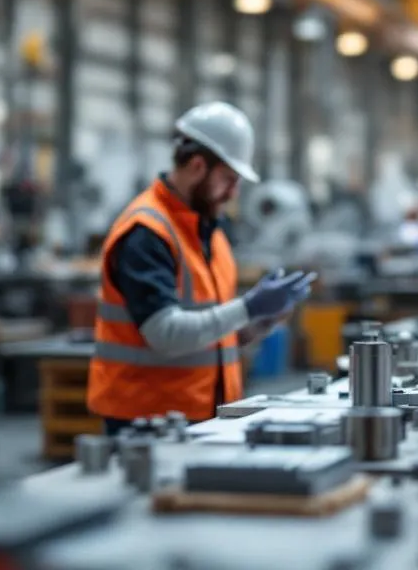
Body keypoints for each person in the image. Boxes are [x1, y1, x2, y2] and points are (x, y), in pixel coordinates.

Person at [87, 101, 316, 434]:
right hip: (146, 423)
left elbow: (209, 335)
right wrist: (247, 306)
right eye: (228, 179)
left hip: (204, 415)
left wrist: (258, 324)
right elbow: (165, 335)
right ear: (197, 167)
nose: (233, 193)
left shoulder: (210, 235)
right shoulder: (147, 233)